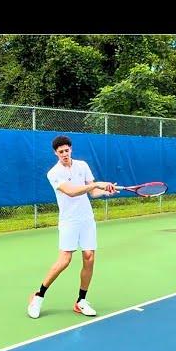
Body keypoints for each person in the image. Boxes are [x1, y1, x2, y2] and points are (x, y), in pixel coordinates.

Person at [28, 135, 118, 319]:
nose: (64, 154)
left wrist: (105, 191)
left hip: (86, 219)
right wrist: (96, 183)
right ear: (56, 153)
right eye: (60, 152)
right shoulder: (53, 173)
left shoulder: (82, 166)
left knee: (89, 257)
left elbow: (92, 192)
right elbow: (71, 192)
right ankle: (38, 295)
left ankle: (81, 301)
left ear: (71, 149)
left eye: (66, 150)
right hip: (69, 220)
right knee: (64, 260)